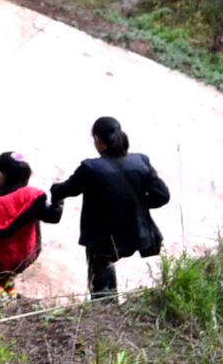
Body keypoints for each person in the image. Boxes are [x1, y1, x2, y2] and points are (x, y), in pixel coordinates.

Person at [48, 116, 170, 299]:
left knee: (101, 279)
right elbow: (162, 196)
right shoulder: (141, 161)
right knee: (107, 262)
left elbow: (68, 190)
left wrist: (54, 190)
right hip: (137, 235)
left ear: (97, 140)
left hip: (105, 241)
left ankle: (105, 309)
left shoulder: (91, 168)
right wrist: (135, 203)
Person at [0, 151, 60, 298]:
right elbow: (53, 217)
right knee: (7, 278)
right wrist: (58, 199)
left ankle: (5, 305)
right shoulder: (31, 199)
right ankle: (12, 298)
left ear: (2, 176)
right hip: (22, 256)